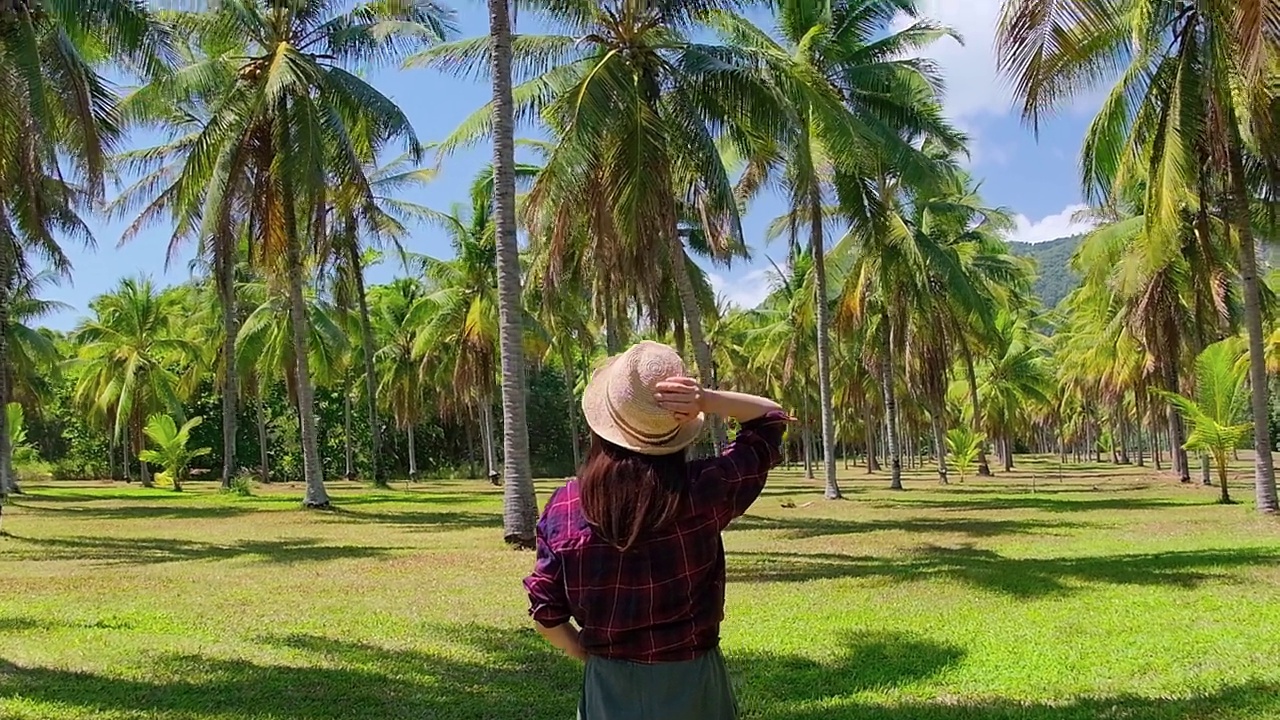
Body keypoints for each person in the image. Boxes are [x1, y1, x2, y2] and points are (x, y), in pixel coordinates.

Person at [523, 340, 789, 720]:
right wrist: (705, 399)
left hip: (607, 684)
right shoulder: (704, 489)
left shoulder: (566, 505)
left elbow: (546, 614)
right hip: (693, 682)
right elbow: (769, 420)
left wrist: (593, 655)